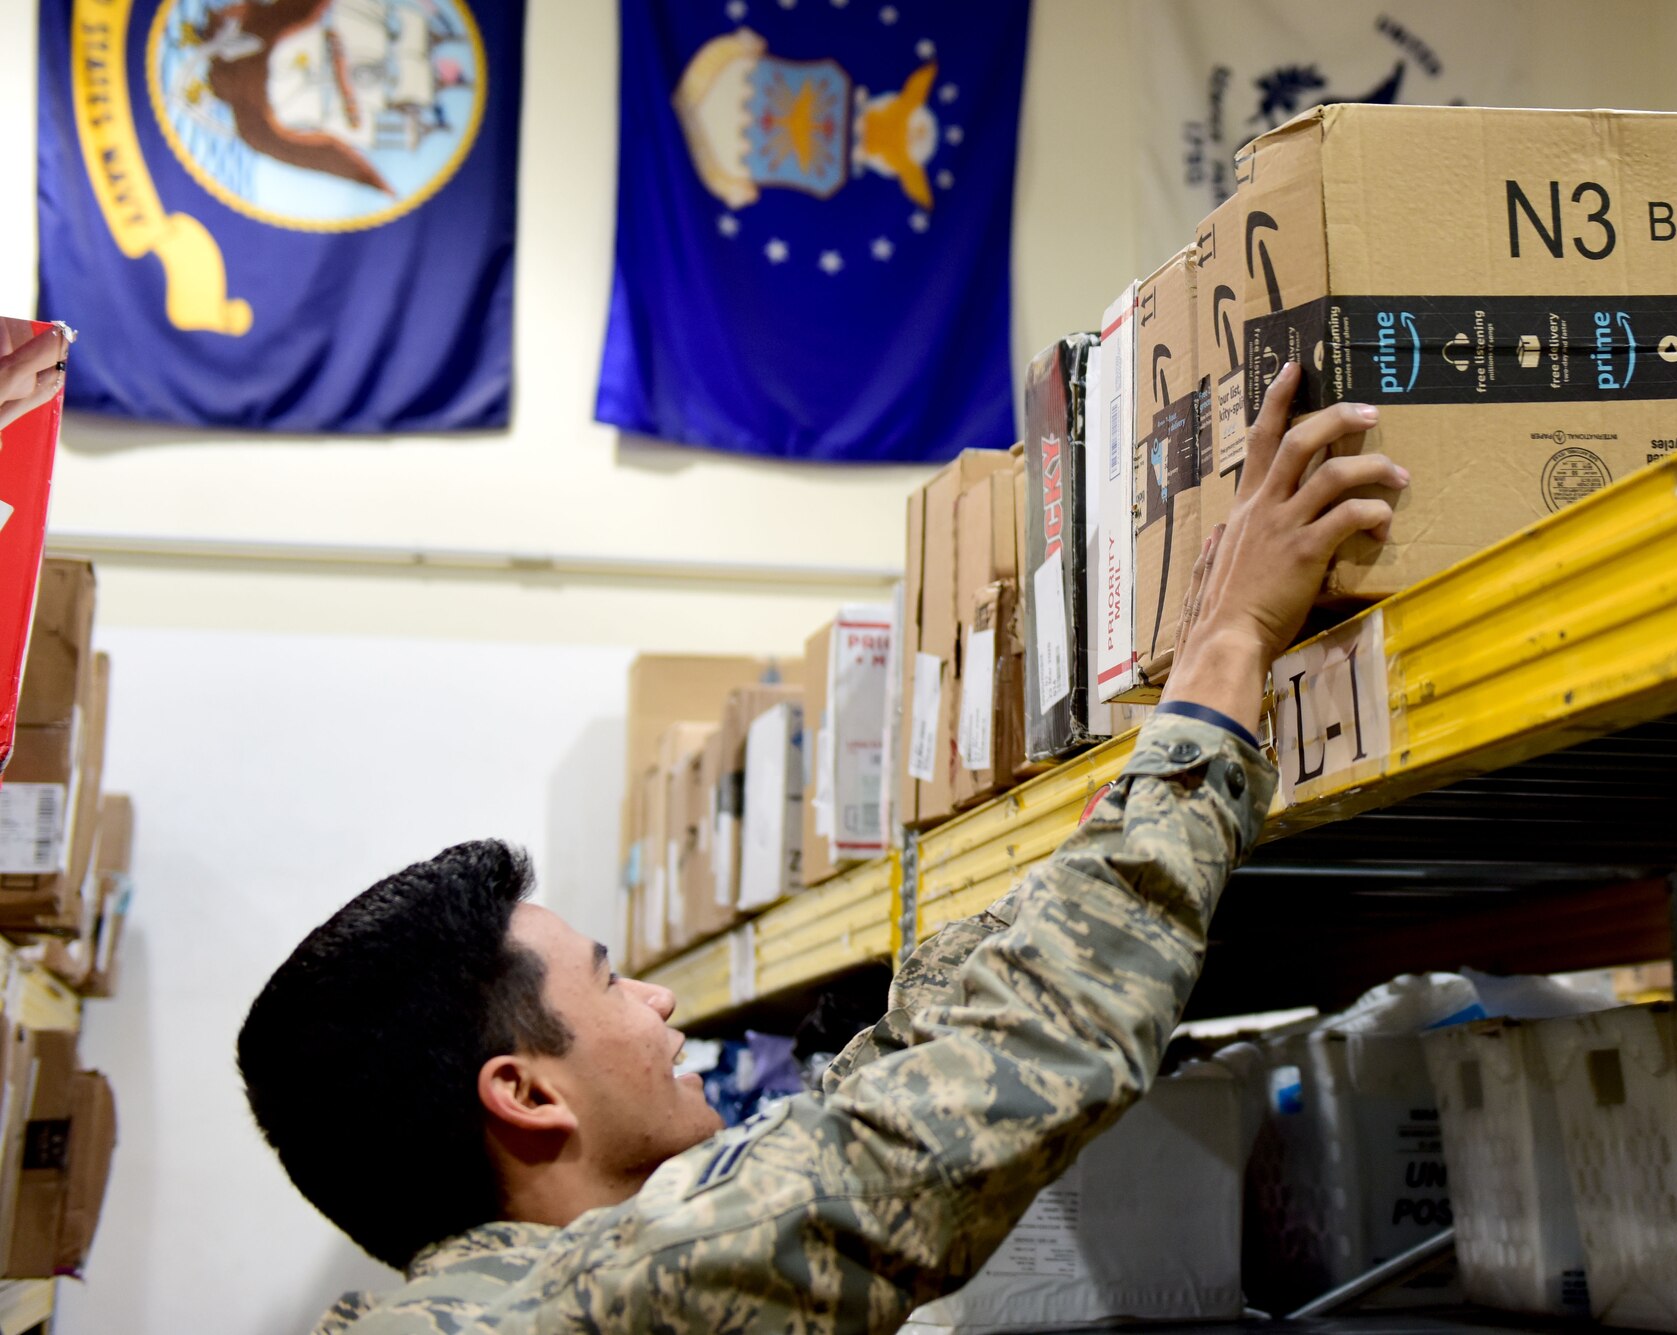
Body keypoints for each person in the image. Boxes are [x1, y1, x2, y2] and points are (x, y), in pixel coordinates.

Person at [237, 362, 1407, 1334]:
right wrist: (1222, 660)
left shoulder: (489, 1302)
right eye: (606, 981)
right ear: (525, 1091)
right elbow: (992, 1093)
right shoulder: (590, 1314)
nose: (657, 1003)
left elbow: (882, 1103)